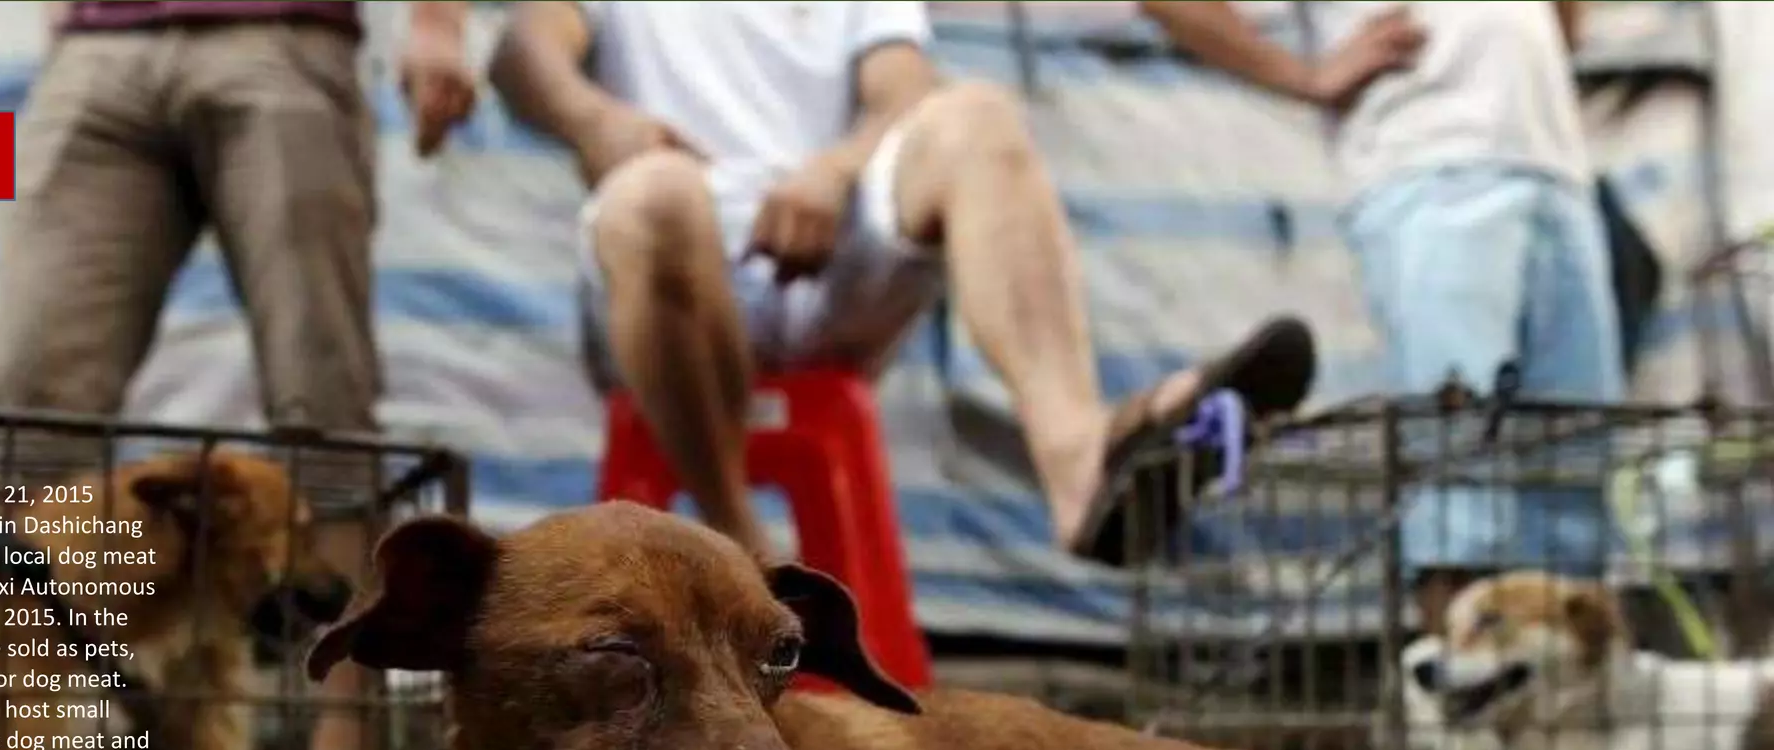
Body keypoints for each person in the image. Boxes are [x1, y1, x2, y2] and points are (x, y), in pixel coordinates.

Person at [491, 0, 1319, 567]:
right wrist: (599, 121)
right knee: (656, 196)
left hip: (820, 271)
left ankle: (1078, 462)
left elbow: (902, 90)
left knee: (978, 117)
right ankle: (740, 545)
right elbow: (521, 51)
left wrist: (837, 169)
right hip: (661, 283)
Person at [0, 1, 477, 750]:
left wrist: (438, 23)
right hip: (98, 48)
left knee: (323, 411)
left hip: (283, 32)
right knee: (19, 414)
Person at [1141, 1, 1624, 626]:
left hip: (1559, 168)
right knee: (1456, 476)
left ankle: (1562, 714)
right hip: (1429, 163)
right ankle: (1449, 709)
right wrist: (1305, 76)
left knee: (1575, 474)